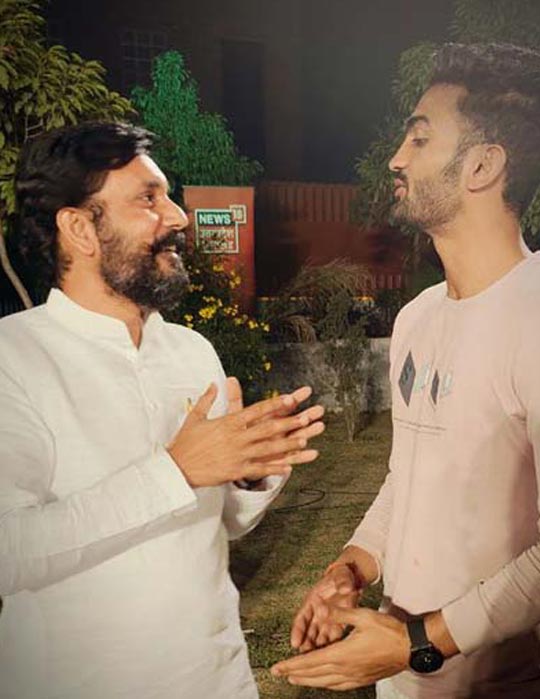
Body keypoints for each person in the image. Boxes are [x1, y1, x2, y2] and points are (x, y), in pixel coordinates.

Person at [271, 42, 540, 698]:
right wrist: (352, 566)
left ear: (482, 165)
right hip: (399, 684)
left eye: (419, 139)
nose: (397, 158)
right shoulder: (418, 316)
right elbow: (411, 477)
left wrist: (417, 642)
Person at [0, 121, 325, 699]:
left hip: (218, 676)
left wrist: (249, 474)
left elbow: (221, 523)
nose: (177, 217)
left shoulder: (190, 350)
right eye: (148, 199)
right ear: (79, 228)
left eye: (168, 197)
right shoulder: (14, 357)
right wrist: (177, 470)